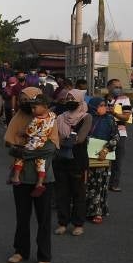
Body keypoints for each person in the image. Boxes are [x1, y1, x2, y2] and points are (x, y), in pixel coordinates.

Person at [4, 88, 58, 263]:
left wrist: (24, 151)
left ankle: (44, 255)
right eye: (22, 99)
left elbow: (51, 147)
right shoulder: (17, 118)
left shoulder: (50, 119)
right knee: (22, 217)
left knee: (43, 218)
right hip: (20, 178)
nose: (25, 103)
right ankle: (20, 251)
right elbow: (9, 145)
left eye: (29, 99)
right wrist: (26, 151)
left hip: (43, 178)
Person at [52, 89, 91, 236]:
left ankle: (78, 224)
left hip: (78, 160)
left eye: (72, 98)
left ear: (80, 99)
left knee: (78, 193)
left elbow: (80, 139)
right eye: (67, 98)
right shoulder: (60, 117)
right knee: (62, 193)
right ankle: (62, 223)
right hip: (60, 159)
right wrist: (64, 140)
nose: (69, 101)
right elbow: (53, 136)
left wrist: (61, 140)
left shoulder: (86, 117)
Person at [7, 97, 57, 197]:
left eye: (34, 107)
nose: (32, 110)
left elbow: (29, 132)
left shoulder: (36, 119)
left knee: (19, 156)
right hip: (42, 142)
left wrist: (22, 134)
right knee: (41, 163)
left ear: (45, 107)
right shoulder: (52, 116)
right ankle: (40, 182)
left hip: (33, 143)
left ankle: (16, 176)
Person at [85, 97, 118, 224]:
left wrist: (106, 149)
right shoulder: (87, 118)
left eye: (104, 105)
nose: (103, 107)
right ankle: (83, 210)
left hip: (103, 157)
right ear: (93, 106)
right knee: (85, 184)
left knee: (100, 184)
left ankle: (97, 211)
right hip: (86, 155)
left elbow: (116, 136)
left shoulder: (110, 119)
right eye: (100, 105)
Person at [105, 78, 132, 191]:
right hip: (104, 131)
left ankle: (114, 184)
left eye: (120, 87)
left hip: (120, 132)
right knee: (103, 157)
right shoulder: (102, 100)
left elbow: (126, 117)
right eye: (116, 87)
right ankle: (101, 182)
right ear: (109, 87)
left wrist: (114, 113)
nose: (118, 89)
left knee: (117, 159)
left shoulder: (124, 99)